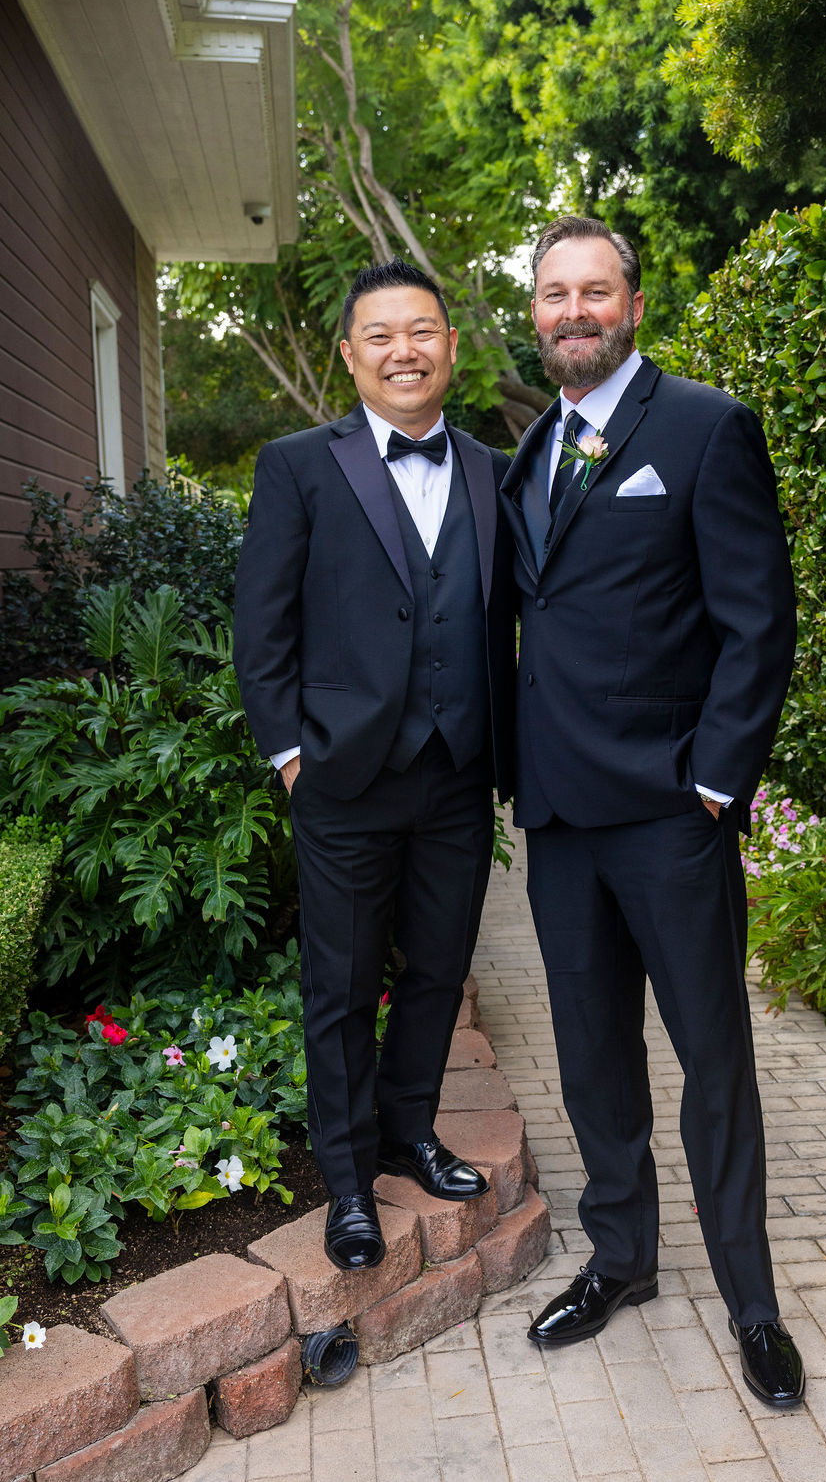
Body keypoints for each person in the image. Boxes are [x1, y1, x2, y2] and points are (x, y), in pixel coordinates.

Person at [499, 216, 804, 1409]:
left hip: (672, 812)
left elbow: (757, 621)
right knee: (592, 1059)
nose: (573, 311)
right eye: (554, 293)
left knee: (712, 1059)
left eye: (595, 291)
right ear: (535, 313)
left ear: (632, 303)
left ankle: (753, 1303)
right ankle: (621, 1257)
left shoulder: (704, 426)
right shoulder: (532, 450)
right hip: (560, 819)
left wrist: (715, 782)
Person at [234, 258, 516, 1272]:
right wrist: (291, 755)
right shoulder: (298, 465)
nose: (405, 351)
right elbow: (261, 622)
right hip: (343, 778)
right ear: (350, 355)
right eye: (382, 335)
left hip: (458, 774)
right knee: (343, 986)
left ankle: (409, 1130)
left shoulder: (493, 469)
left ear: (451, 346)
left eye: (422, 331)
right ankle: (349, 1182)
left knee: (437, 970)